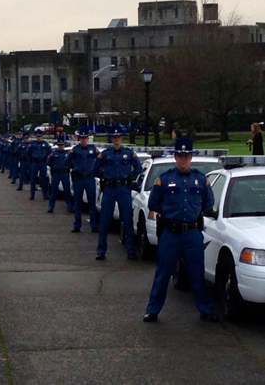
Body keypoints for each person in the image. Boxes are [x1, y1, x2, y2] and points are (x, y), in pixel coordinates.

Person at [143, 137, 219, 323]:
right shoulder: (164, 179)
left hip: (192, 232)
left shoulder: (201, 179)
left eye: (186, 155)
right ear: (175, 157)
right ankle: (153, 310)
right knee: (163, 273)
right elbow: (154, 203)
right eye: (180, 155)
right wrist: (170, 215)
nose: (183, 159)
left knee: (196, 273)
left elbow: (208, 203)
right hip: (171, 233)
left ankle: (205, 310)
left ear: (191, 157)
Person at [93, 129, 142, 261]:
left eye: (118, 137)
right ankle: (101, 250)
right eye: (114, 137)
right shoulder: (105, 154)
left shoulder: (129, 153)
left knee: (127, 220)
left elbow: (139, 168)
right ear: (111, 138)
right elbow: (95, 170)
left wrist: (129, 178)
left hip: (123, 188)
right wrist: (105, 178)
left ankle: (130, 250)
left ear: (122, 138)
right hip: (109, 188)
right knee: (104, 220)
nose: (116, 139)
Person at [69, 130, 99, 233]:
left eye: (85, 138)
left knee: (92, 202)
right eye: (82, 138)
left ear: (87, 139)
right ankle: (77, 225)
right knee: (77, 203)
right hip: (78, 178)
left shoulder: (93, 149)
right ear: (79, 139)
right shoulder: (75, 150)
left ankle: (94, 225)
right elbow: (67, 162)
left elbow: (99, 162)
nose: (83, 140)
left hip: (89, 178)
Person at [46, 140, 73, 213]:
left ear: (64, 145)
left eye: (62, 145)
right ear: (58, 145)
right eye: (59, 145)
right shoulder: (54, 154)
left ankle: (69, 206)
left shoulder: (67, 154)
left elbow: (71, 163)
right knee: (53, 191)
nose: (61, 146)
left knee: (67, 191)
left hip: (65, 173)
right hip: (56, 174)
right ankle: (51, 206)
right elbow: (48, 162)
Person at [28, 129, 52, 200]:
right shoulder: (32, 144)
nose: (38, 138)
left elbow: (50, 153)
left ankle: (45, 194)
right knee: (33, 179)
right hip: (34, 163)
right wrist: (31, 161)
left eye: (40, 136)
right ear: (36, 136)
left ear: (42, 136)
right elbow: (29, 153)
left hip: (42, 163)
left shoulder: (45, 144)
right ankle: (32, 195)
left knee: (44, 179)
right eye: (37, 136)